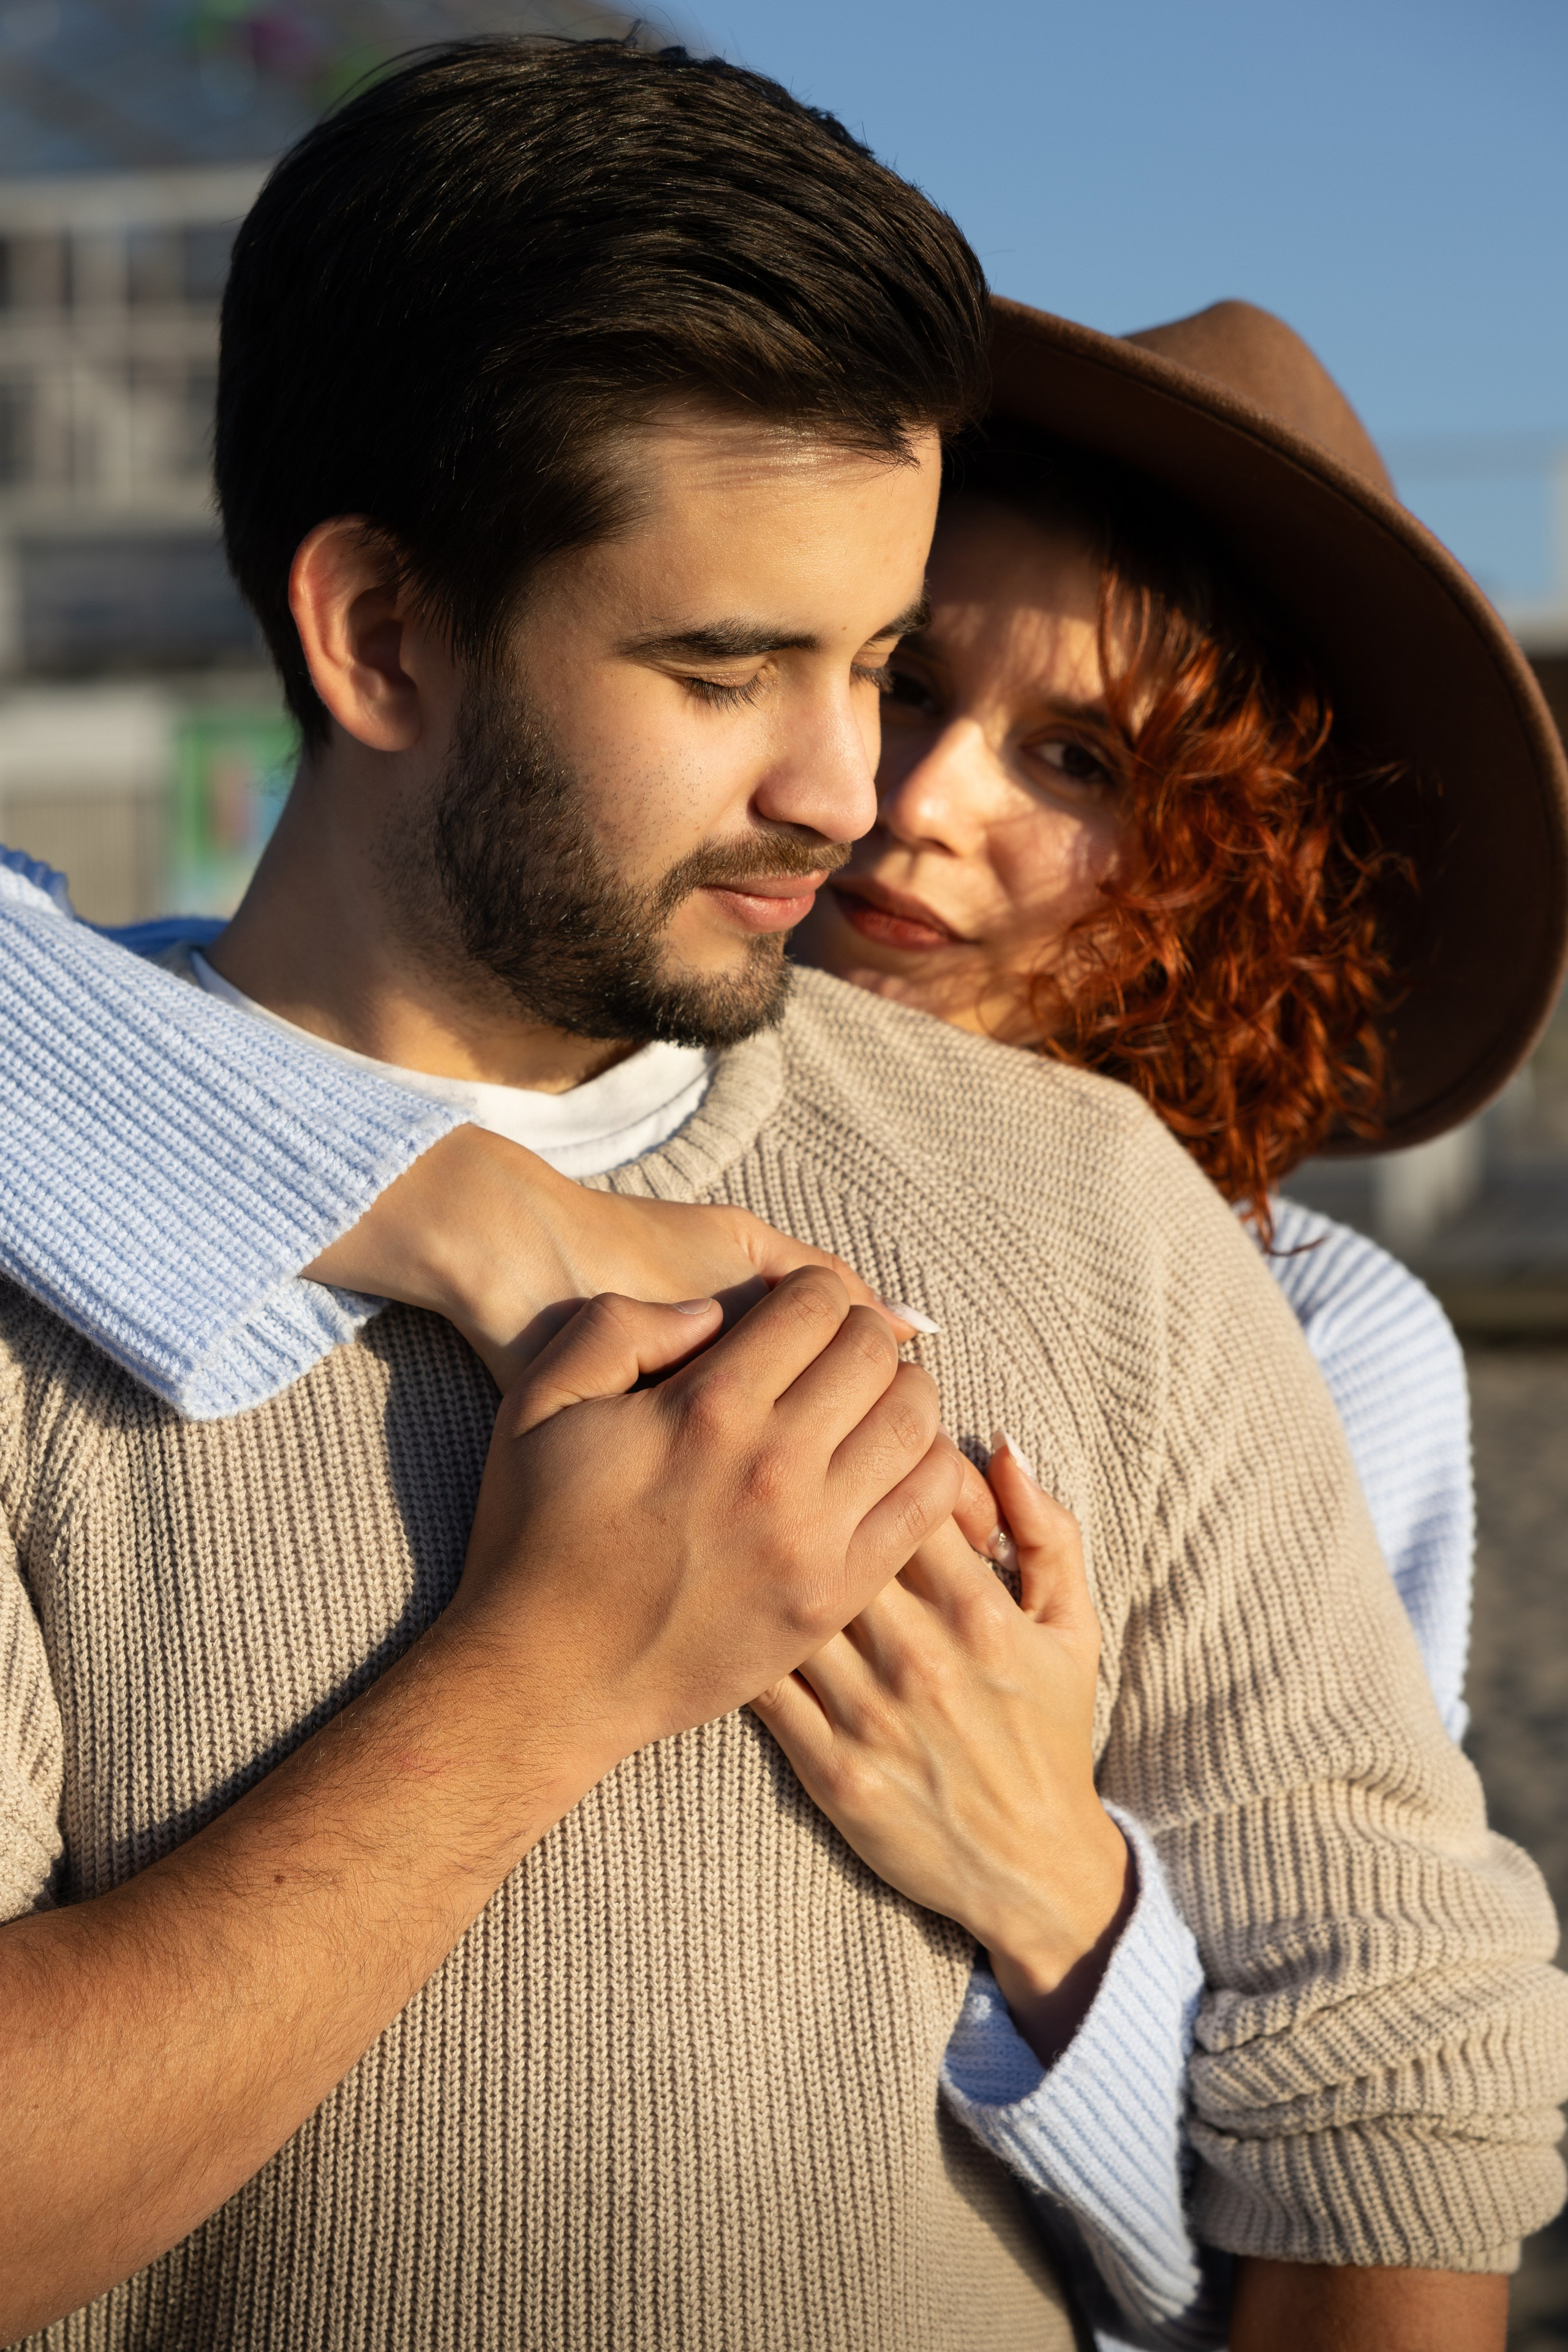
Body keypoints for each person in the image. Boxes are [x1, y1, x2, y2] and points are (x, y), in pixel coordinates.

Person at [0, 39, 1564, 2352]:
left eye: (871, 653)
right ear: (384, 636)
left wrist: (1063, 1901)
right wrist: (546, 1679)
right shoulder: (46, 1208)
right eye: (734, 667)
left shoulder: (1108, 1213)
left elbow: (1391, 2083)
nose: (854, 792)